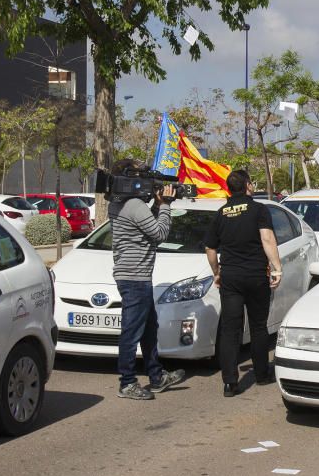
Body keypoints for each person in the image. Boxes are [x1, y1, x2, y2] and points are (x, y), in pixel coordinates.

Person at [109, 159, 186, 400]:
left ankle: (156, 376)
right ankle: (127, 382)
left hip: (132, 275)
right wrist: (165, 206)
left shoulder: (118, 203)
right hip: (135, 277)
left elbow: (144, 228)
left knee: (148, 329)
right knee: (132, 332)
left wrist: (156, 203)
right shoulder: (133, 204)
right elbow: (159, 233)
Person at [204, 170, 284, 397]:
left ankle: (230, 382)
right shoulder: (259, 210)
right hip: (256, 276)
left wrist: (216, 272)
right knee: (259, 326)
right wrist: (277, 268)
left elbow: (210, 248)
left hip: (230, 277)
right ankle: (261, 374)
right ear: (248, 185)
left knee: (231, 330)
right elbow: (267, 239)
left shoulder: (221, 213)